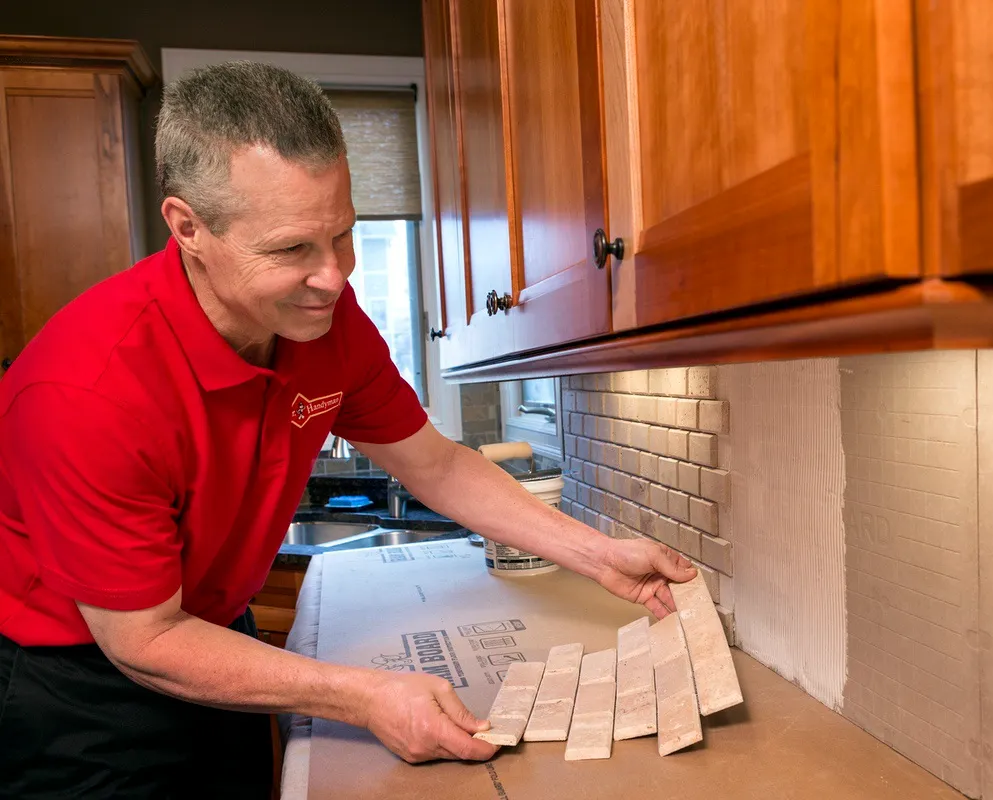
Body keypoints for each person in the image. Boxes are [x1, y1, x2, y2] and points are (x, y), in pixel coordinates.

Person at [0, 61, 696, 799]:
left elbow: (436, 466)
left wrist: (599, 555)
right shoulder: (88, 390)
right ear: (188, 228)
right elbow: (145, 641)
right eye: (292, 248)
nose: (333, 275)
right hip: (78, 683)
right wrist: (365, 696)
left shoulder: (322, 322)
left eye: (343, 234)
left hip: (211, 632)